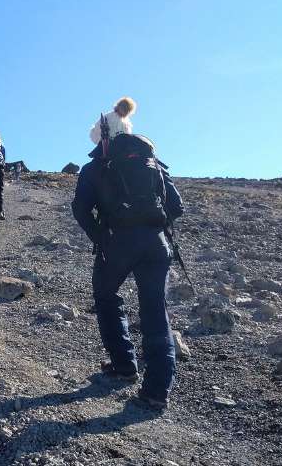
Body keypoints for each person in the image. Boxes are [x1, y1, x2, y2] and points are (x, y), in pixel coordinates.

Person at [71, 132, 183, 411]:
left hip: (117, 243)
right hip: (157, 245)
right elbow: (177, 207)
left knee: (106, 297)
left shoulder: (96, 166)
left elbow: (80, 208)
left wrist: (100, 236)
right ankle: (156, 391)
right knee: (156, 311)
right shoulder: (153, 163)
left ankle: (124, 365)